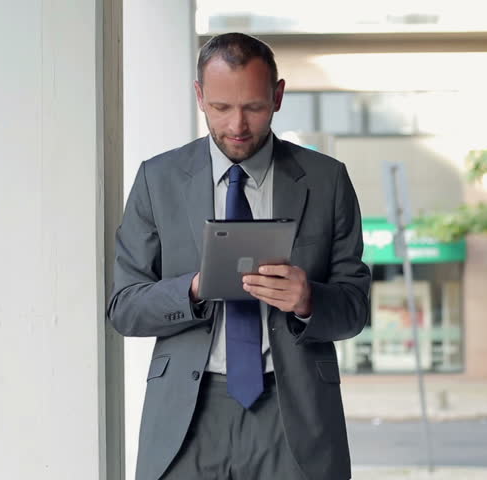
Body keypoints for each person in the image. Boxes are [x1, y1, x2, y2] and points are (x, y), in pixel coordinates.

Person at [108, 32, 370, 480]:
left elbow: (354, 309)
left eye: (253, 107)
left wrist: (309, 301)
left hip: (294, 413)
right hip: (189, 415)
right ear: (199, 96)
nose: (237, 126)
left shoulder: (327, 181)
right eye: (221, 108)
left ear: (278, 96)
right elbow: (124, 308)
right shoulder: (158, 179)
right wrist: (191, 290)